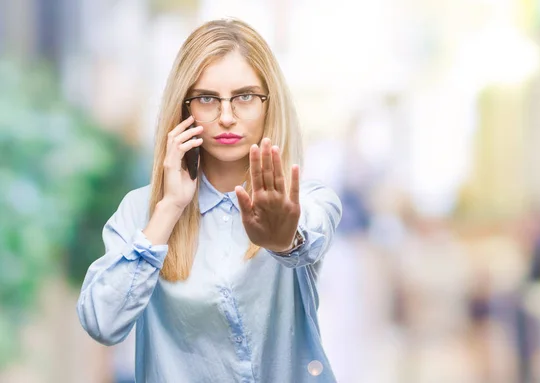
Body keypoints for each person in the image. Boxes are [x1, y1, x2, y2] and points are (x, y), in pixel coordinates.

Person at [77, 18, 342, 383]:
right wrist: (168, 209)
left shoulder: (308, 199)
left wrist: (285, 239)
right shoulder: (141, 212)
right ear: (184, 109)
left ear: (270, 102)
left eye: (245, 96)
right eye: (207, 99)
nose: (228, 117)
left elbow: (307, 235)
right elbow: (102, 323)